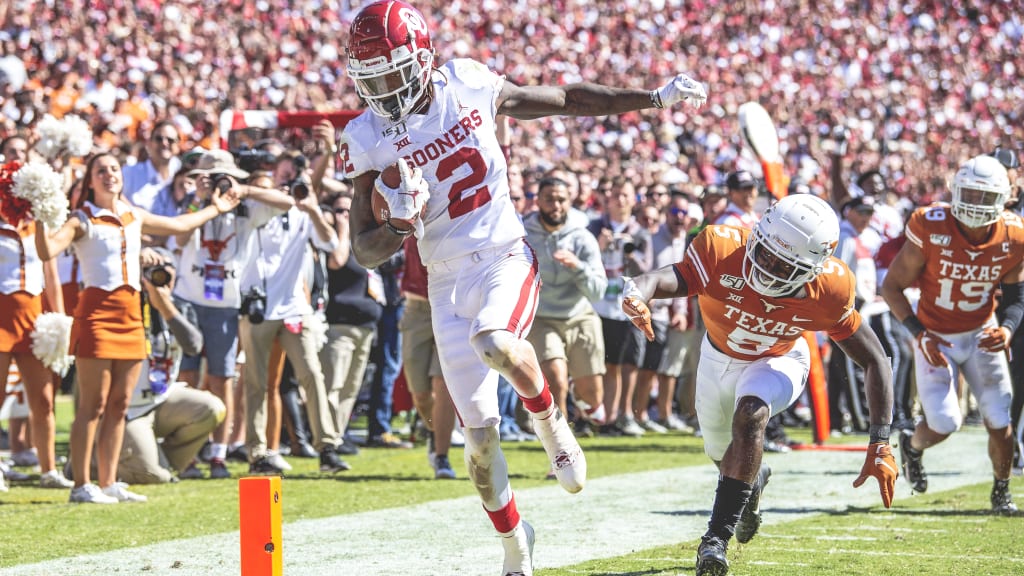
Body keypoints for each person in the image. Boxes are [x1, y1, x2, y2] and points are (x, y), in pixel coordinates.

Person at [341, 2, 706, 573]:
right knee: (479, 447)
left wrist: (651, 98)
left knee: (498, 342)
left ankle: (551, 424)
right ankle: (516, 545)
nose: (384, 89)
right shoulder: (365, 135)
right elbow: (362, 247)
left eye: (392, 72)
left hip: (503, 256)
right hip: (443, 280)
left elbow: (567, 99)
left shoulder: (468, 82)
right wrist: (397, 225)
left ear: (422, 57)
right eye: (373, 78)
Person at [622, 194, 897, 576]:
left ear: (813, 268)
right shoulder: (721, 247)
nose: (766, 267)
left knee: (751, 414)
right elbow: (667, 277)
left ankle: (714, 541)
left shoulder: (831, 289)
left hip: (779, 358)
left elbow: (875, 358)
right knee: (723, 455)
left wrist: (880, 441)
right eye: (764, 252)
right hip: (717, 358)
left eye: (783, 265)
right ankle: (751, 483)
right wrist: (638, 290)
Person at [35, 152, 238, 503]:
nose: (109, 175)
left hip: (131, 315)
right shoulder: (81, 219)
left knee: (120, 405)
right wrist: (39, 218)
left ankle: (110, 482)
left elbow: (180, 226)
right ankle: (82, 485)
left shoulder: (134, 215)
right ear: (91, 179)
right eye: (101, 171)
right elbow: (46, 250)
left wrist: (216, 208)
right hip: (97, 315)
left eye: (114, 169)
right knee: (92, 406)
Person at [881, 154, 1021, 514]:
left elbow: (1017, 297)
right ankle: (913, 446)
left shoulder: (1014, 235)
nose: (975, 205)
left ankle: (1001, 490)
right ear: (955, 191)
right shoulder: (930, 224)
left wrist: (1006, 330)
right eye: (969, 194)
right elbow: (892, 287)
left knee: (999, 419)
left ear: (1004, 199)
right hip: (935, 335)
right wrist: (917, 333)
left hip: (981, 332)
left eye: (984, 197)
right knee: (944, 422)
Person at [173, 149, 291, 478]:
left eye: (226, 178)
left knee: (222, 379)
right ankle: (189, 453)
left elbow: (288, 203)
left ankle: (218, 454)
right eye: (214, 179)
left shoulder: (246, 210)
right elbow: (180, 237)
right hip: (190, 300)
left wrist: (247, 190)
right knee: (188, 378)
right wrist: (202, 200)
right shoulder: (192, 206)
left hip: (224, 303)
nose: (221, 184)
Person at [119, 248, 226, 484]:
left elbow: (193, 346)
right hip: (130, 409)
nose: (158, 275)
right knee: (152, 476)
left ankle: (157, 461)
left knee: (212, 407)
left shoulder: (180, 306)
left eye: (165, 267)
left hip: (162, 400)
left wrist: (165, 307)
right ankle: (108, 463)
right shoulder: (126, 303)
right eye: (150, 270)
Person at [523, 176, 608, 438]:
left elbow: (597, 291)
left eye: (561, 200)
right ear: (537, 201)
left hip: (580, 315)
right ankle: (561, 448)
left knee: (593, 397)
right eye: (549, 199)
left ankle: (583, 400)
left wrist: (577, 267)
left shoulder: (583, 238)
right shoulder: (523, 235)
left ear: (569, 201)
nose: (556, 206)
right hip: (542, 317)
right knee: (555, 378)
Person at [0, 181, 72, 490]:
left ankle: (49, 469)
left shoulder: (39, 226)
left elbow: (52, 277)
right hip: (1, 316)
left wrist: (59, 320)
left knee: (43, 400)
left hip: (34, 320)